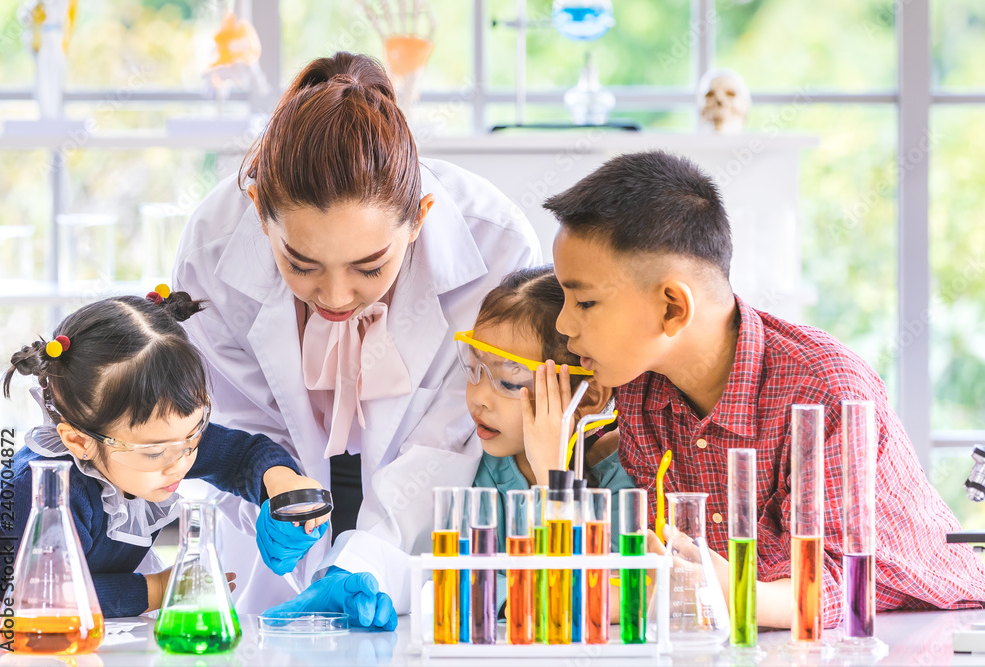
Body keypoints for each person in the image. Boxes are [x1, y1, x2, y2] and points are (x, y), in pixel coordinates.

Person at [544, 149, 985, 628]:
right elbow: (677, 563)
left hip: (924, 626)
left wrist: (714, 589)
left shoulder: (825, 390)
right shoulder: (639, 390)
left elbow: (836, 583)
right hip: (766, 627)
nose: (564, 324)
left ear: (672, 307)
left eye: (585, 301)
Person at [173, 51, 542, 622]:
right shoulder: (213, 249)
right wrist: (270, 496)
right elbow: (229, 427)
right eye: (301, 264)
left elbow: (448, 442)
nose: (336, 297)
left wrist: (371, 557)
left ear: (419, 218)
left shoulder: (496, 248)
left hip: (420, 556)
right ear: (258, 211)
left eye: (369, 268)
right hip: (262, 575)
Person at [0, 289, 328, 618]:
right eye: (155, 451)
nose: (180, 463)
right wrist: (163, 589)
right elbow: (46, 594)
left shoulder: (166, 442)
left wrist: (282, 482)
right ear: (79, 442)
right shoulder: (42, 488)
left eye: (194, 433)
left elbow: (241, 455)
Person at [463, 266, 631, 546]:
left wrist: (551, 478)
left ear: (588, 397)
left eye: (509, 383)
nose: (478, 397)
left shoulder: (621, 480)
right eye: (473, 369)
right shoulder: (479, 468)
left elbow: (588, 586)